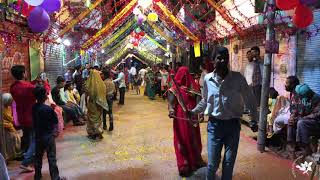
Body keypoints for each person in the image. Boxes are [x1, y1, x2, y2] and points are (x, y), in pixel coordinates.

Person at [191, 47, 258, 180]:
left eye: (225, 58)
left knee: (228, 163)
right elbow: (205, 101)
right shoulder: (208, 79)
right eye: (219, 58)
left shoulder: (238, 78)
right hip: (214, 127)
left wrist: (254, 118)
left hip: (233, 127)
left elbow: (250, 99)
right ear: (213, 60)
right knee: (212, 164)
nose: (223, 60)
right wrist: (193, 111)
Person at [168, 66, 205, 177]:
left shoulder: (194, 87)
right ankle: (184, 164)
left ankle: (196, 160)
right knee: (182, 138)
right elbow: (171, 103)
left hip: (192, 116)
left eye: (185, 74)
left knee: (193, 137)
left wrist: (201, 113)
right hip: (181, 117)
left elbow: (200, 101)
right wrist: (170, 110)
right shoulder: (174, 89)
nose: (183, 77)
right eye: (182, 74)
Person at [32, 86, 66, 180]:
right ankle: (55, 178)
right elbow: (55, 121)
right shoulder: (48, 109)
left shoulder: (33, 107)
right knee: (51, 157)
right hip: (48, 135)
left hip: (38, 135)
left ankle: (37, 176)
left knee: (38, 157)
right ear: (45, 97)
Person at [10, 65, 36, 171]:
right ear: (23, 73)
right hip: (31, 115)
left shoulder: (13, 88)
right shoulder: (29, 87)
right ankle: (26, 162)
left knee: (27, 138)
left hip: (21, 116)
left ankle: (28, 159)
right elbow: (39, 95)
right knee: (35, 138)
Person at [287, 84, 320, 158]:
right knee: (291, 122)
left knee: (301, 123)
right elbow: (295, 107)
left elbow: (316, 115)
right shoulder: (300, 96)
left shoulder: (317, 99)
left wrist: (303, 118)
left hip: (316, 123)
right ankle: (291, 147)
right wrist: (293, 116)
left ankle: (305, 147)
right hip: (304, 119)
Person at [85, 69, 108, 140]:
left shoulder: (89, 84)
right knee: (97, 118)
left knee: (92, 118)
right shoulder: (102, 84)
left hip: (92, 104)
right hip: (99, 104)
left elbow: (87, 93)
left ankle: (93, 133)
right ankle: (98, 133)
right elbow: (104, 93)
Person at [2, 93, 22, 161]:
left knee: (16, 138)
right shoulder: (1, 109)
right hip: (4, 128)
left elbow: (10, 118)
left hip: (10, 126)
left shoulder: (8, 107)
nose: (10, 103)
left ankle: (15, 154)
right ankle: (9, 156)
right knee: (10, 140)